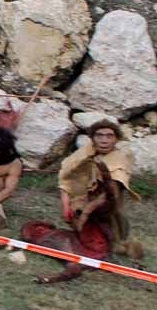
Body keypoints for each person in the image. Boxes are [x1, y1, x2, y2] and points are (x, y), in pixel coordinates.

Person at [22, 120, 142, 284]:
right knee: (40, 234)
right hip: (80, 211)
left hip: (104, 216)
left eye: (109, 136)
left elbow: (110, 194)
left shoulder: (120, 159)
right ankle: (76, 254)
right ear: (92, 138)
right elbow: (67, 179)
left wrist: (86, 212)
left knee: (96, 245)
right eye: (99, 135)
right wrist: (67, 207)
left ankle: (77, 263)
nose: (104, 140)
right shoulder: (85, 153)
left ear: (116, 139)